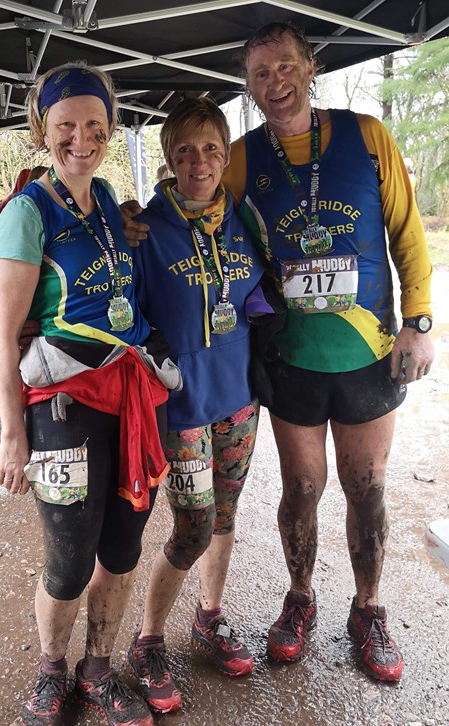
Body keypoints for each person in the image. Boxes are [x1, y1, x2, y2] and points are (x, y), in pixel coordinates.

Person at [222, 22, 435, 682]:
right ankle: (301, 597)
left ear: (309, 69)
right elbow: (205, 225)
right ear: (251, 87)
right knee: (303, 487)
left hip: (368, 352)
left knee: (366, 486)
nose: (274, 82)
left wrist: (419, 321)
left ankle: (368, 608)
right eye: (260, 74)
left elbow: (407, 233)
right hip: (290, 357)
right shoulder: (239, 156)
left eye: (284, 67)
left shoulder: (366, 135)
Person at [0, 60, 181, 726]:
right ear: (43, 128)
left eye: (94, 125)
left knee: (121, 549)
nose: (81, 138)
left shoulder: (109, 202)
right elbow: (2, 337)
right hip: (63, 410)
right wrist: (13, 434)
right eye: (66, 125)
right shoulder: (26, 212)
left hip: (131, 404)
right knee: (69, 561)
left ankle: (98, 667)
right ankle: (52, 666)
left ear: (110, 127)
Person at [125, 97, 266, 714]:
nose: (199, 161)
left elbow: (261, 292)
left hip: (239, 401)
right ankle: (147, 639)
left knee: (227, 517)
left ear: (226, 154)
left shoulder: (243, 220)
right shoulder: (146, 229)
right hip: (183, 408)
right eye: (184, 150)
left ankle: (208, 617)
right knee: (194, 526)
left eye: (211, 148)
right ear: (168, 159)